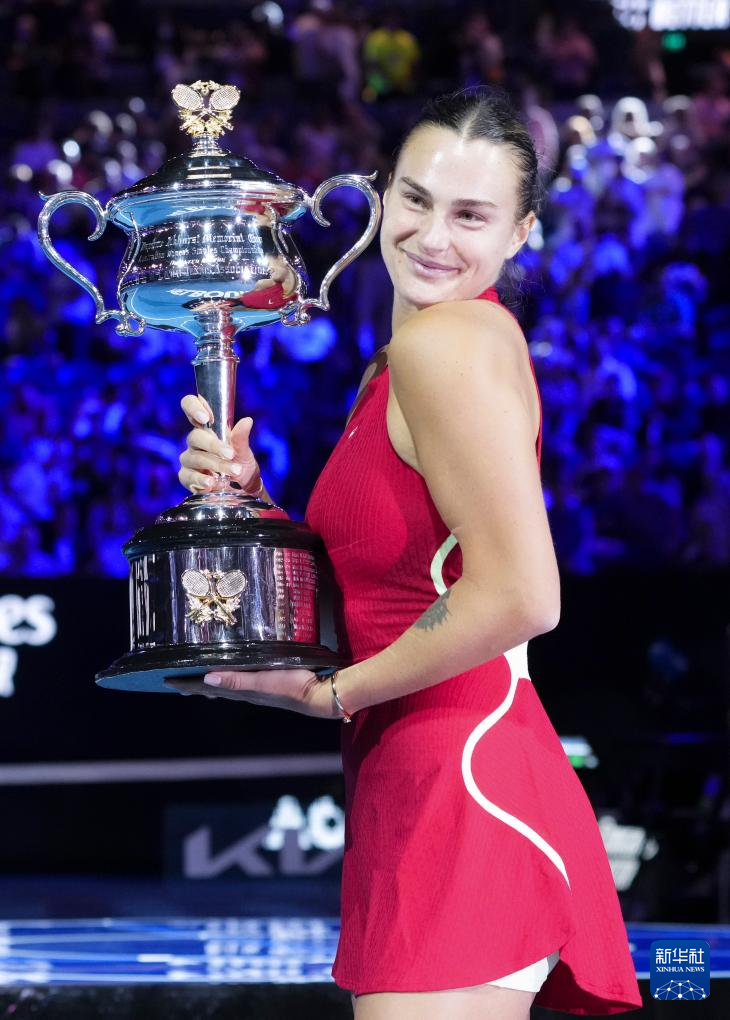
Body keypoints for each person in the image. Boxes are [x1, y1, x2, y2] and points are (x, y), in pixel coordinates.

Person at [171, 89, 643, 1018]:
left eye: (471, 215)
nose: (432, 236)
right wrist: (247, 505)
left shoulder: (445, 344)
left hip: (463, 789)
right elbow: (389, 593)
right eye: (416, 199)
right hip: (422, 785)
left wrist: (335, 694)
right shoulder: (402, 360)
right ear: (380, 193)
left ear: (521, 233)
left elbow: (522, 595)